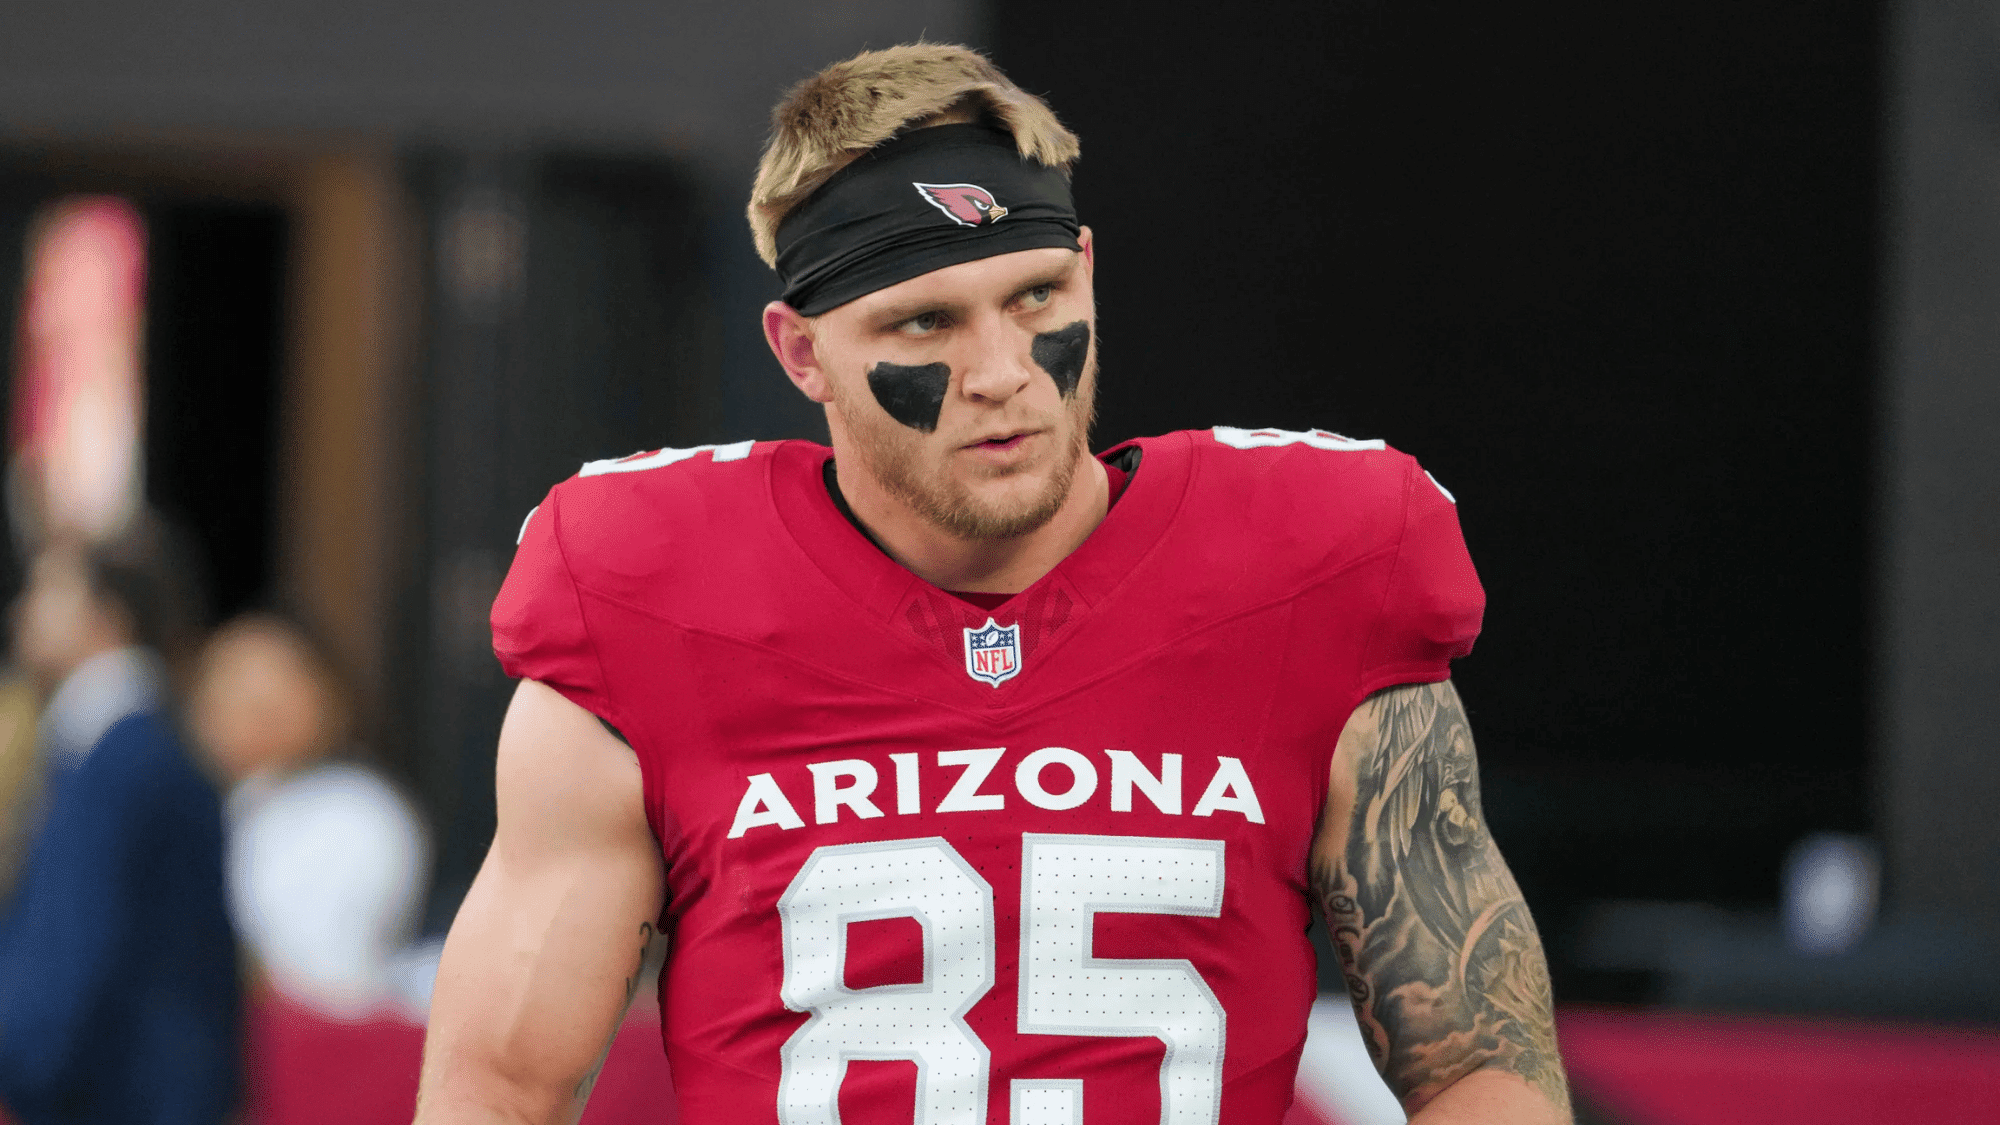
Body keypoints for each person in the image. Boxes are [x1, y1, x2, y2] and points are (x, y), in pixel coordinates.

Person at [415, 43, 1572, 1125]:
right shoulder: (645, 591)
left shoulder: (1317, 565)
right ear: (800, 351)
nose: (1001, 375)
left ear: (1084, 270)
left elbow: (1475, 1057)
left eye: (1032, 302)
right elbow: (500, 1083)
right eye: (924, 322)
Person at [0, 534, 239, 1125]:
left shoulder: (120, 758)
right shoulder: (123, 743)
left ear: (106, 616)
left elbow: (66, 949)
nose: (22, 609)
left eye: (48, 590)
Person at [188, 612, 429, 1020]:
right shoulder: (208, 810)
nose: (256, 709)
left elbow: (322, 978)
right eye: (232, 691)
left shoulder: (360, 814)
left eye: (276, 693)